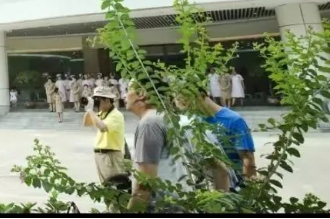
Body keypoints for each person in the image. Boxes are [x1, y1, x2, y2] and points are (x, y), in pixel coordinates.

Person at [126, 81, 230, 211]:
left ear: (141, 93)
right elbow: (221, 170)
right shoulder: (187, 121)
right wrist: (220, 207)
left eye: (128, 89)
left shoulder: (149, 123)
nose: (124, 95)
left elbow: (144, 186)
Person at [175, 87, 256, 185]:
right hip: (209, 183)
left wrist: (247, 187)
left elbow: (247, 159)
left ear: (202, 96)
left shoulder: (234, 120)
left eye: (188, 104)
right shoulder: (194, 121)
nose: (188, 109)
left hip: (234, 184)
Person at [84, 86, 126, 184]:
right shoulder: (102, 113)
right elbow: (86, 123)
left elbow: (102, 128)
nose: (96, 103)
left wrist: (91, 110)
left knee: (113, 186)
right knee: (106, 187)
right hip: (101, 155)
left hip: (110, 155)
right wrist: (88, 109)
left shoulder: (116, 115)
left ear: (107, 100)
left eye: (98, 100)